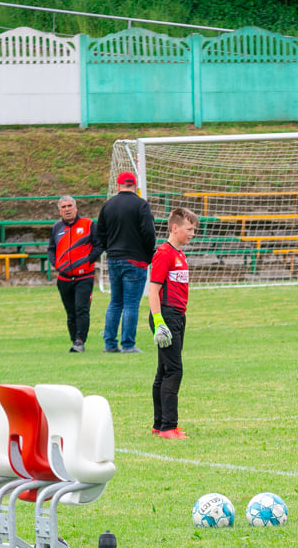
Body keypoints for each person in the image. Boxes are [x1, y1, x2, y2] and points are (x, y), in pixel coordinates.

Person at [148, 207, 198, 439]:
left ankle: (160, 425)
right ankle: (169, 427)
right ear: (174, 228)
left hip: (177, 316)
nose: (192, 233)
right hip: (167, 317)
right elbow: (154, 290)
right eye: (189, 229)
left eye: (194, 230)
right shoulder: (165, 253)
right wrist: (159, 322)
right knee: (174, 371)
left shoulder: (180, 253)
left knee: (164, 370)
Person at [97, 171, 157, 353]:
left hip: (114, 259)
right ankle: (128, 344)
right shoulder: (141, 205)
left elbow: (100, 233)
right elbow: (149, 232)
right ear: (135, 186)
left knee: (115, 302)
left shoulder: (108, 206)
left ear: (118, 186)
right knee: (131, 303)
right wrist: (148, 253)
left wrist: (111, 249)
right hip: (135, 260)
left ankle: (109, 343)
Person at [47, 196, 103, 353]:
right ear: (59, 211)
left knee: (81, 309)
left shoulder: (88, 225)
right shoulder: (56, 228)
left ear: (76, 207)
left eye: (69, 205)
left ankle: (80, 340)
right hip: (64, 278)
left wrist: (88, 261)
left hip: (84, 276)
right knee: (70, 312)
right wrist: (57, 265)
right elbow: (51, 249)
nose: (67, 209)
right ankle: (74, 340)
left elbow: (98, 246)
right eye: (63, 207)